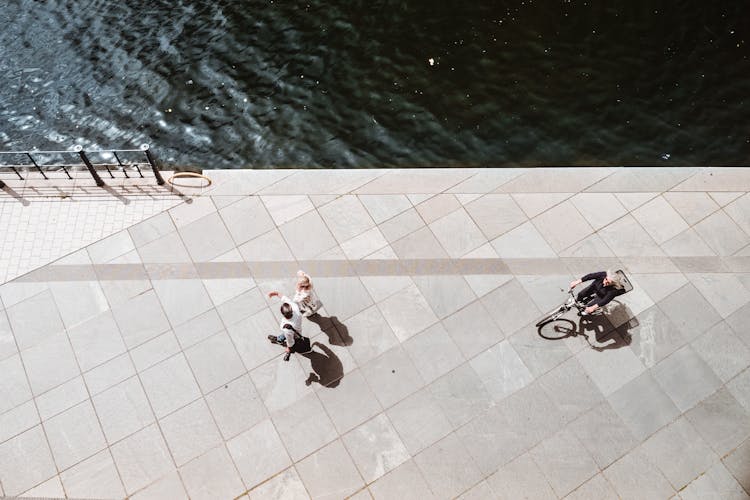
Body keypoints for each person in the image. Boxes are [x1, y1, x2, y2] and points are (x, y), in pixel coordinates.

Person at [267, 291, 303, 355]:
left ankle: (279, 340)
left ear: (283, 314)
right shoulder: (295, 307)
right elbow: (286, 299)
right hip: (296, 329)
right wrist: (276, 293)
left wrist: (289, 348)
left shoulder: (286, 328)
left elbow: (290, 341)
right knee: (285, 334)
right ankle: (279, 339)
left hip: (294, 334)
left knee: (286, 335)